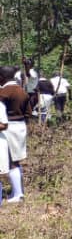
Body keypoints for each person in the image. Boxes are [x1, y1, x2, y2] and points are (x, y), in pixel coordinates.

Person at [0, 65, 29, 204]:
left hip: (8, 128)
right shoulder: (21, 90)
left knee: (11, 161)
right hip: (21, 125)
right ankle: (17, 191)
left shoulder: (4, 92)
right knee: (15, 160)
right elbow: (29, 112)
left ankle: (18, 194)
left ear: (2, 77)